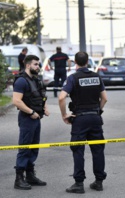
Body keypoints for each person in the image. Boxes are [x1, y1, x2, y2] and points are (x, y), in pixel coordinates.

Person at [58, 52, 107, 194]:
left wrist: (64, 115)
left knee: (78, 150)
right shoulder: (97, 77)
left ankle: (79, 184)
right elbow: (104, 98)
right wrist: (98, 110)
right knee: (98, 150)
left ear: (75, 62)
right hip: (95, 118)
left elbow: (61, 98)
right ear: (87, 62)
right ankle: (99, 182)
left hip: (80, 119)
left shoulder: (73, 78)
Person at [12, 55, 49, 190]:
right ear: (28, 65)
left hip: (36, 118)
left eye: (38, 64)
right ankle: (19, 178)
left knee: (33, 147)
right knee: (25, 148)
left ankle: (30, 175)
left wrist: (44, 108)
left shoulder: (35, 80)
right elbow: (16, 101)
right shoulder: (22, 81)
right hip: (27, 118)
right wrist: (31, 112)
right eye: (35, 64)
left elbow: (41, 96)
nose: (37, 67)